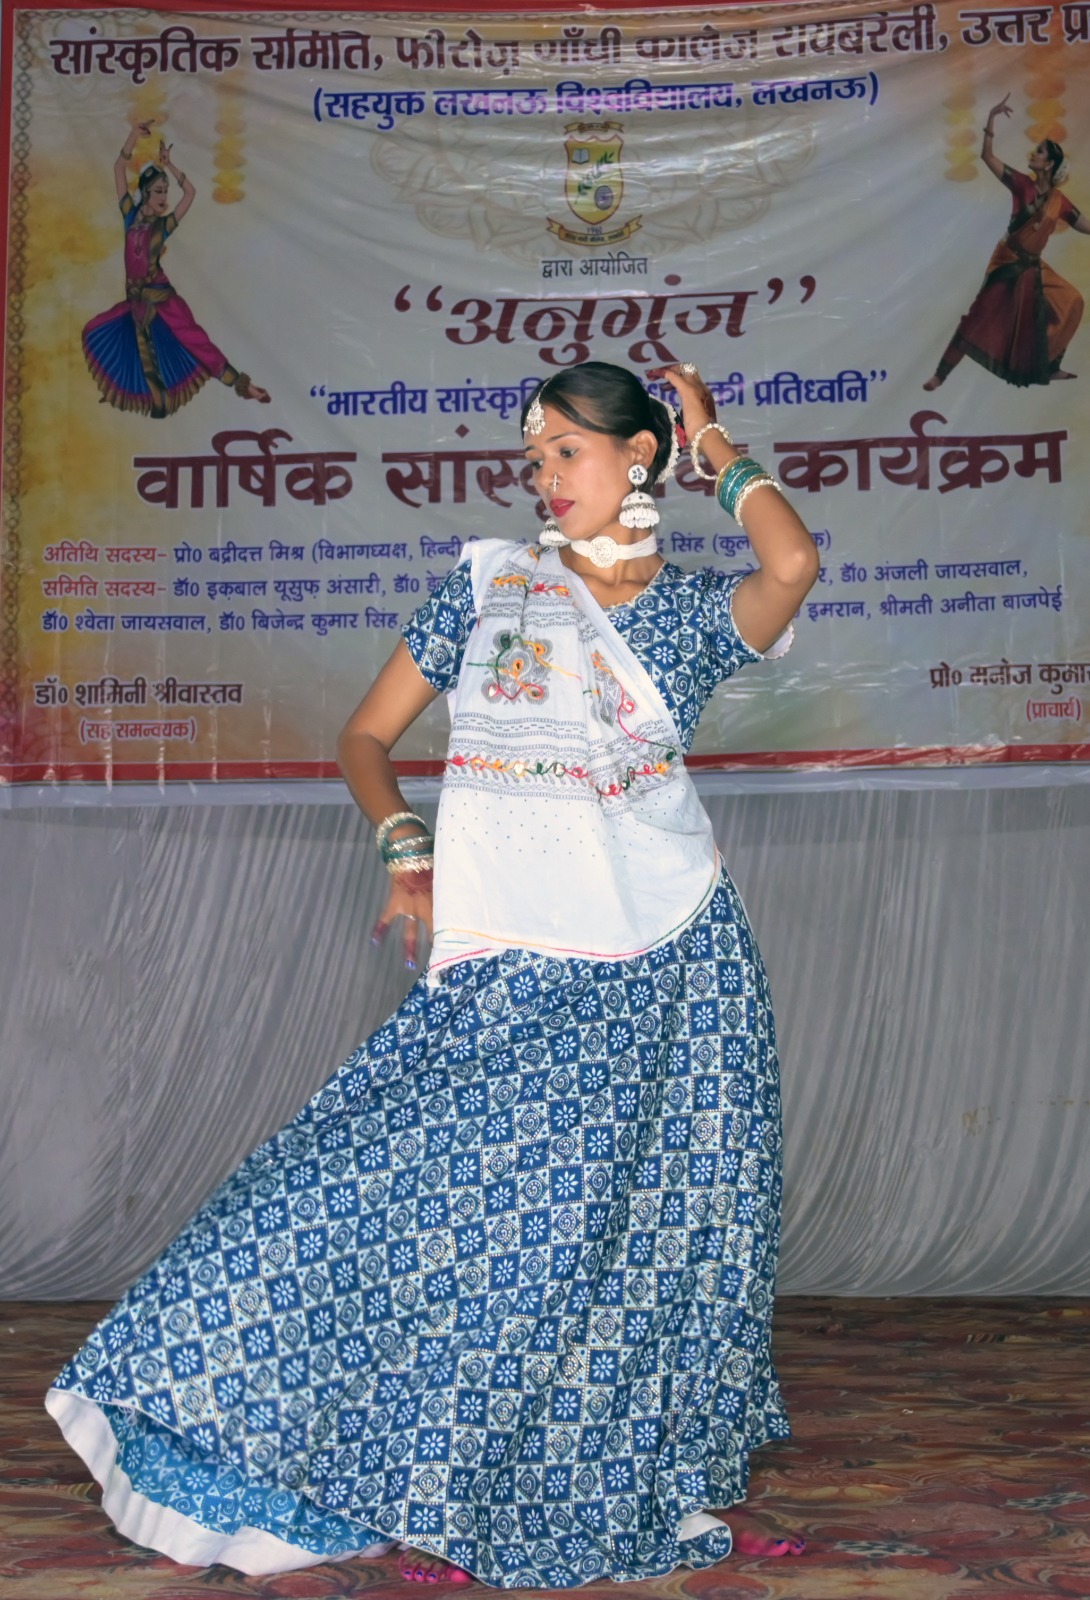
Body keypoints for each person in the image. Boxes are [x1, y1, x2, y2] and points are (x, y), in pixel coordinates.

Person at [46, 360, 818, 1589]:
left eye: (568, 450)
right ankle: (309, 1458)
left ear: (638, 458)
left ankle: (566, 1476)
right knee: (344, 1197)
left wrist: (713, 440)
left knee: (623, 1251)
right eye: (534, 456)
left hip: (669, 972)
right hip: (504, 963)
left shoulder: (684, 616)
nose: (544, 475)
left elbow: (792, 562)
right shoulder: (488, 584)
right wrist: (405, 848)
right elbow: (364, 735)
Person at [82, 121, 270, 419]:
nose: (163, 197)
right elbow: (119, 168)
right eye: (158, 191)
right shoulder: (129, 215)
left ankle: (242, 385)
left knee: (195, 340)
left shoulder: (163, 226)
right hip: (135, 302)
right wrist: (132, 136)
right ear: (145, 192)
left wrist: (169, 165)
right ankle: (143, 399)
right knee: (101, 333)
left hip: (160, 297)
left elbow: (190, 194)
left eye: (165, 191)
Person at [924, 94, 1090, 390]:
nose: (1034, 154)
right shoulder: (1021, 184)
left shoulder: (1059, 201)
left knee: (1072, 301)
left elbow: (1082, 225)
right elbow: (987, 158)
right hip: (1008, 261)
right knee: (979, 315)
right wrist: (991, 119)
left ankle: (1049, 367)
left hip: (1033, 267)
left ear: (1050, 164)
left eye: (1040, 152)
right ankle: (940, 374)